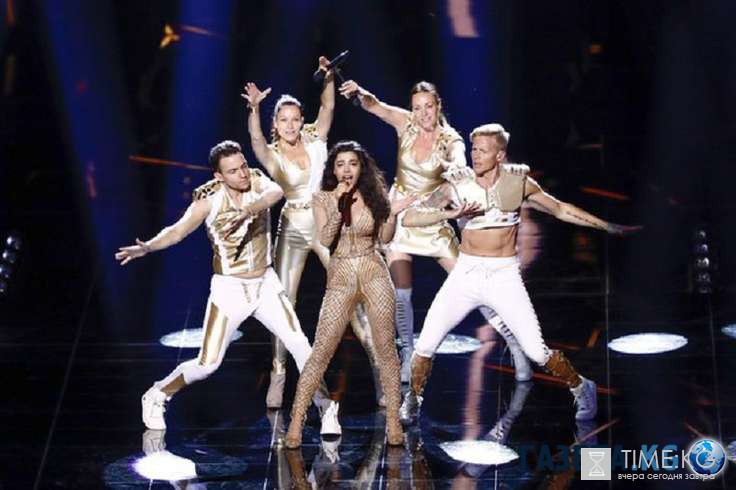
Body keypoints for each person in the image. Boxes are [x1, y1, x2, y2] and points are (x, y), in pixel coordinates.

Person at [400, 123, 640, 423]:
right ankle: (413, 399)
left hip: (504, 277)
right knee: (425, 345)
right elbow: (411, 217)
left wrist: (607, 226)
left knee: (537, 352)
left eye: (483, 150)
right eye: (474, 149)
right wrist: (451, 214)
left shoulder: (519, 184)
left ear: (499, 155)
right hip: (466, 276)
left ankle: (582, 387)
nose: (476, 155)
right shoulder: (457, 185)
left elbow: (560, 209)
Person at [115, 140, 339, 434]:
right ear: (219, 176)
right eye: (233, 171)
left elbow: (276, 192)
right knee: (207, 364)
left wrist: (249, 210)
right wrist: (148, 247)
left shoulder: (257, 181)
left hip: (265, 285)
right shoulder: (209, 202)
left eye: (243, 166)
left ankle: (325, 407)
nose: (242, 173)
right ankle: (157, 394)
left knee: (300, 344)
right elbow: (178, 231)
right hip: (230, 290)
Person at [338, 80, 531, 383]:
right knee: (402, 293)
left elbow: (459, 158)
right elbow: (376, 105)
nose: (423, 113)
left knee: (477, 288)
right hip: (403, 216)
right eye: (417, 108)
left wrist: (455, 167)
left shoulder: (450, 139)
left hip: (434, 219)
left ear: (438, 105)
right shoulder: (406, 124)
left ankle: (515, 346)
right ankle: (407, 355)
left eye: (428, 106)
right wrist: (359, 93)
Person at [242, 57, 386, 409]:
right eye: (283, 120)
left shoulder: (316, 139)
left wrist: (328, 76)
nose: (290, 125)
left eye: (295, 118)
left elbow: (328, 107)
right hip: (292, 227)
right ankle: (278, 374)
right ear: (276, 124)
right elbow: (255, 140)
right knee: (283, 303)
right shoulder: (272, 154)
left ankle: (381, 373)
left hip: (326, 222)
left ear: (301, 120)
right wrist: (255, 109)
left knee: (352, 294)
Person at [283, 141, 416, 448]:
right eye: (340, 164)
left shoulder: (374, 195)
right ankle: (296, 421)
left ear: (361, 168)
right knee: (321, 351)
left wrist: (392, 214)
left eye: (353, 163)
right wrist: (339, 204)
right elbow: (326, 238)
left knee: (386, 348)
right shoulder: (322, 198)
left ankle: (393, 421)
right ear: (333, 169)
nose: (346, 169)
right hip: (341, 274)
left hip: (373, 271)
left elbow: (385, 237)